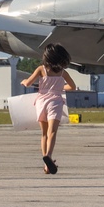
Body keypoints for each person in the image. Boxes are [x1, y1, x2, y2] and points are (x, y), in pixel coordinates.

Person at [21, 43, 76, 174]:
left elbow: (28, 83)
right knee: (52, 132)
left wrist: (23, 81)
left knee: (44, 134)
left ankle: (46, 164)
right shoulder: (63, 72)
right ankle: (49, 157)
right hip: (55, 102)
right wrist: (60, 87)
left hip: (41, 102)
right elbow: (72, 87)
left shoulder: (41, 69)